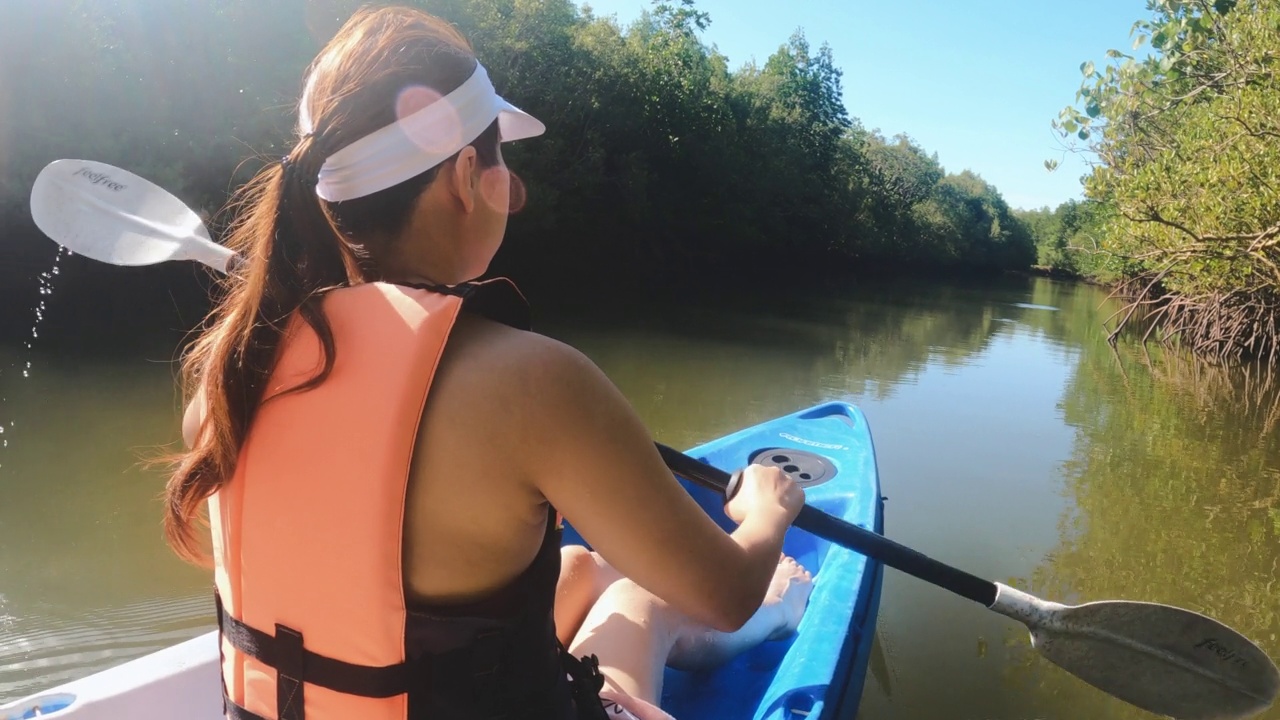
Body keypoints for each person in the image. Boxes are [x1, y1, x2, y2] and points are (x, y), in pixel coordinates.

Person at [167, 6, 809, 720]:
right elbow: (724, 595)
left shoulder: (232, 371)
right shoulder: (532, 386)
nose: (516, 188)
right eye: (504, 158)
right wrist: (765, 513)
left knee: (576, 567)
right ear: (466, 174)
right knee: (638, 599)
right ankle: (788, 614)